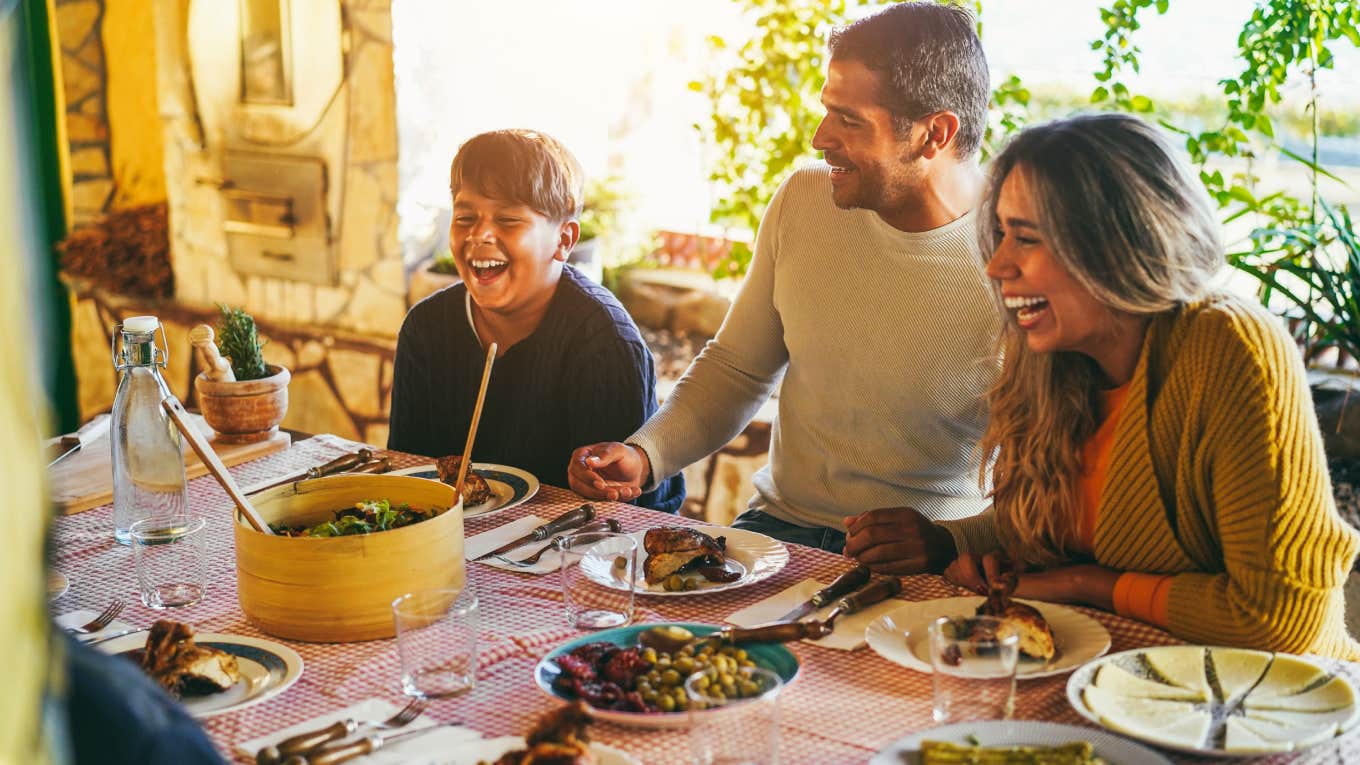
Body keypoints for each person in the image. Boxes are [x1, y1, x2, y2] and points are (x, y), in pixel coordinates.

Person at [568, 2, 997, 561]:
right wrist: (646, 455)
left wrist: (949, 543)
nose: (820, 138)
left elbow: (1051, 478)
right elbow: (738, 367)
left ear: (933, 134)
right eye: (827, 112)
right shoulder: (804, 200)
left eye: (849, 120)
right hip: (776, 531)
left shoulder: (1015, 254)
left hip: (923, 563)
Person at [930, 112, 1358, 658]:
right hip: (1125, 680)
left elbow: (1279, 620)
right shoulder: (1049, 361)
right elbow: (1068, 521)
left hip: (1280, 701)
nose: (997, 266)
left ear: (1115, 246)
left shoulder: (1231, 347)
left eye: (1026, 239)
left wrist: (1084, 584)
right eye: (1001, 234)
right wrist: (954, 542)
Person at [389, 129, 683, 513]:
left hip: (568, 549)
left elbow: (624, 512)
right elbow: (407, 473)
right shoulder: (425, 330)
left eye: (508, 220)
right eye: (465, 216)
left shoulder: (604, 343)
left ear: (564, 240)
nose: (480, 235)